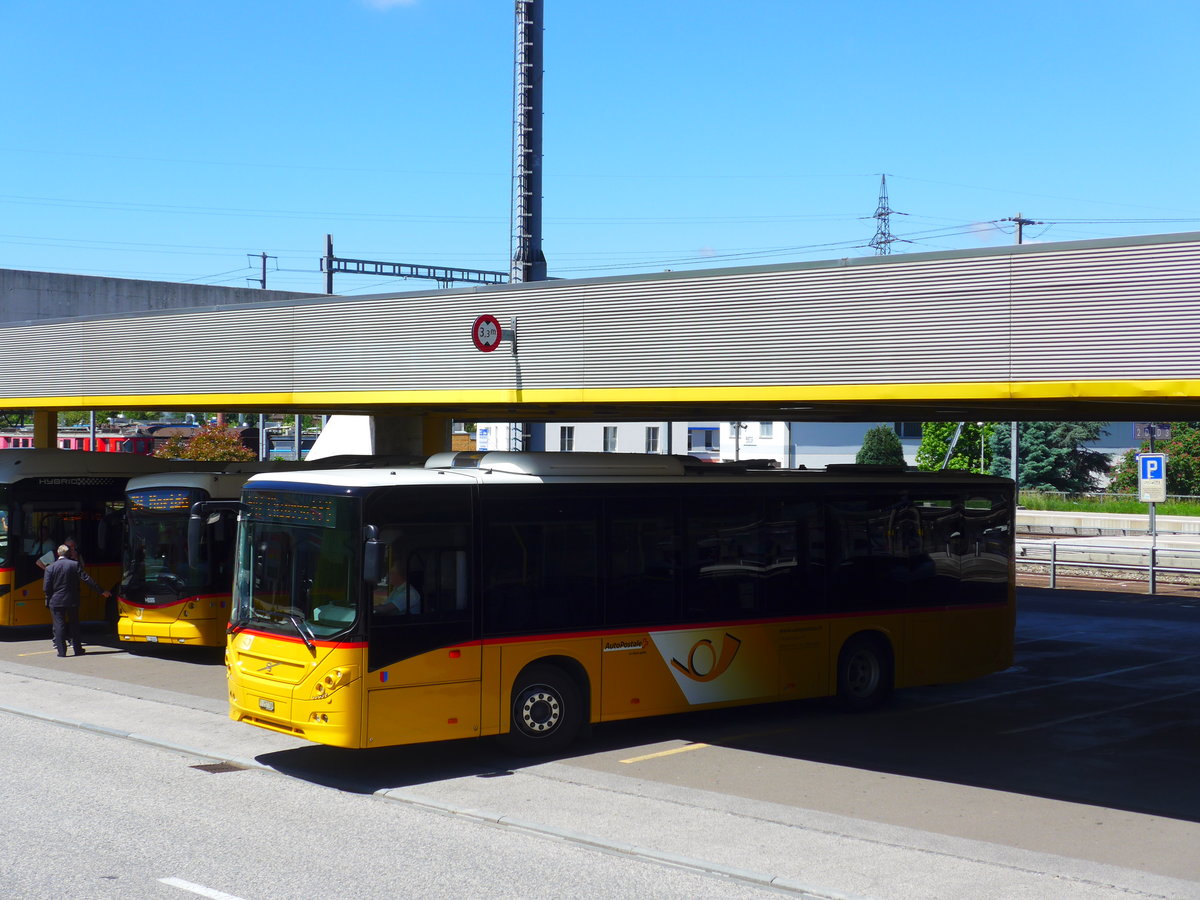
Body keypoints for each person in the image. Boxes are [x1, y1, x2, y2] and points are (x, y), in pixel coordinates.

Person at [43, 544, 110, 657]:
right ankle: (77, 649)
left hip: (56, 600)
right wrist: (101, 591)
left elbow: (46, 588)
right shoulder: (74, 565)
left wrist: (49, 600)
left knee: (59, 625)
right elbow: (87, 579)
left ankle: (62, 651)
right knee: (74, 624)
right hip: (72, 600)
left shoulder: (50, 568)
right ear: (69, 554)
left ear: (58, 554)